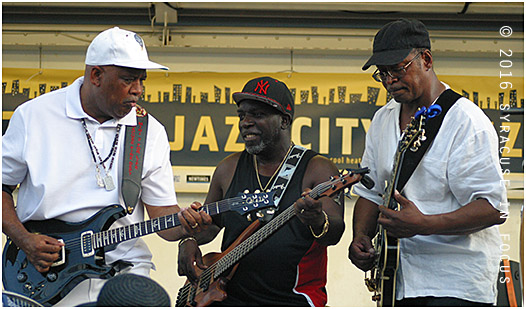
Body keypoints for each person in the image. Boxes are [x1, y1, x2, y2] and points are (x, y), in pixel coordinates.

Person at [2, 27, 207, 306]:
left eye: (141, 80)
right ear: (96, 75)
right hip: (45, 274)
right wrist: (24, 239)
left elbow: (163, 220)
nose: (138, 90)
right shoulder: (34, 116)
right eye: (128, 79)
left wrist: (186, 224)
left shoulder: (149, 130)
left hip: (124, 275)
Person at [348, 19, 508, 306]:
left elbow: (492, 208)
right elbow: (370, 192)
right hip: (396, 283)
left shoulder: (466, 122)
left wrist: (424, 224)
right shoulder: (383, 119)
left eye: (397, 69)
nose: (388, 81)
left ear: (426, 59)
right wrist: (361, 236)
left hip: (454, 284)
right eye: (381, 73)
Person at [176, 76, 345, 306]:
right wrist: (188, 239)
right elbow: (209, 225)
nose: (246, 122)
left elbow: (334, 232)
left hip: (293, 300)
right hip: (229, 298)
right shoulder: (228, 168)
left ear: (284, 121)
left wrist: (316, 220)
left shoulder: (317, 169)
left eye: (257, 114)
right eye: (242, 115)